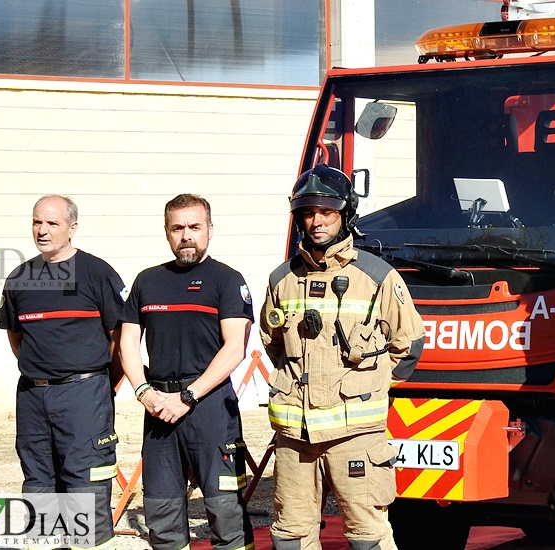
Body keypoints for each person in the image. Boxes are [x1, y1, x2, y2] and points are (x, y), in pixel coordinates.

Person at [260, 164, 425, 550]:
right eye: (308, 212)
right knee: (290, 537)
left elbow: (408, 345)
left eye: (326, 212)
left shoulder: (378, 277)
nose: (316, 221)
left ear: (345, 213)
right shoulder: (280, 279)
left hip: (356, 438)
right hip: (295, 438)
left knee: (367, 537)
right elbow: (273, 343)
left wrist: (367, 388)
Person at [118, 194, 255, 550]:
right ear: (166, 231)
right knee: (162, 515)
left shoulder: (227, 280)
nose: (186, 236)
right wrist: (144, 392)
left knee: (225, 511)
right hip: (159, 407)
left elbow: (234, 347)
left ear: (210, 229)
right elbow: (128, 343)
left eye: (195, 227)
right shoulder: (147, 281)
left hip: (208, 407)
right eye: (177, 228)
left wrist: (188, 396)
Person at [0, 195, 126, 550]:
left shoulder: (98, 274)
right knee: (38, 479)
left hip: (84, 395)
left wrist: (97, 386)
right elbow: (17, 339)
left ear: (73, 228)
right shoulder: (20, 278)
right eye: (37, 222)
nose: (43, 230)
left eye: (52, 223)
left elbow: (120, 340)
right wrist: (43, 376)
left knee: (84, 483)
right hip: (33, 398)